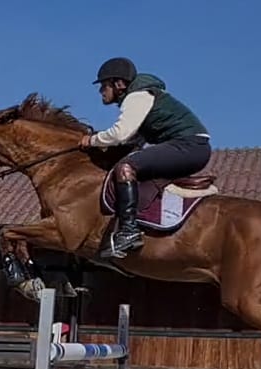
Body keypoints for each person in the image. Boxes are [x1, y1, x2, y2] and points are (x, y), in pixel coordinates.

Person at [79, 57, 212, 258]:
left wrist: (92, 140)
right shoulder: (141, 97)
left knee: (126, 168)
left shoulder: (137, 97)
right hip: (191, 147)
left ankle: (129, 231)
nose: (101, 91)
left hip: (189, 147)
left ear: (119, 84)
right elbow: (134, 140)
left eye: (104, 85)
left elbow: (120, 134)